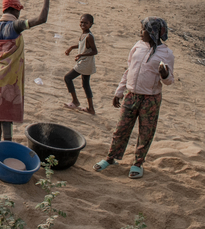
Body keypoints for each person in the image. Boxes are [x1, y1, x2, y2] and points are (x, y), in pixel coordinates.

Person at [94, 18, 175, 179]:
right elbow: (129, 70)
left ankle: (138, 163)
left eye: (143, 29)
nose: (140, 32)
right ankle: (111, 158)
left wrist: (164, 75)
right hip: (131, 95)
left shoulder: (166, 53)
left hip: (150, 99)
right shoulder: (138, 46)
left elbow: (169, 80)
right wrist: (119, 91)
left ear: (153, 32)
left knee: (146, 132)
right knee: (121, 128)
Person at [0, 0, 51, 143]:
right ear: (13, 10)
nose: (19, 14)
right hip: (10, 78)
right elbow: (42, 19)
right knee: (6, 115)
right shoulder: (16, 25)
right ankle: (7, 145)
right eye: (18, 10)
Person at [63, 13, 98, 114]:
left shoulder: (89, 36)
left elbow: (95, 51)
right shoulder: (84, 34)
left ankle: (75, 101)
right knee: (86, 85)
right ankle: (91, 108)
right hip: (86, 63)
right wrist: (71, 48)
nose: (83, 24)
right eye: (81, 22)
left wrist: (81, 55)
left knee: (68, 78)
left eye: (86, 23)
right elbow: (81, 45)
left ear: (91, 24)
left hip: (85, 63)